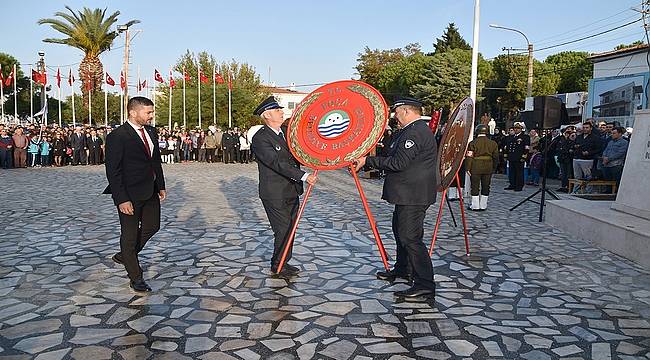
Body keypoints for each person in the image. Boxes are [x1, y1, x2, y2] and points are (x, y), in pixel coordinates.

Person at [354, 96, 438, 299]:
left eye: (397, 112)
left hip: (413, 195)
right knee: (400, 232)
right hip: (407, 194)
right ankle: (403, 269)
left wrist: (368, 161)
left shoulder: (415, 132)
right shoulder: (409, 131)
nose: (395, 116)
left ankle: (425, 282)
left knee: (411, 237)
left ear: (408, 112)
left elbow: (398, 162)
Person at [104, 96, 166, 292]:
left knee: (152, 226)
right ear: (133, 112)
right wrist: (121, 199)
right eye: (148, 112)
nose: (151, 115)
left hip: (151, 190)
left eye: (151, 112)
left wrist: (161, 185)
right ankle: (136, 276)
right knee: (129, 236)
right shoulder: (118, 136)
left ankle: (125, 255)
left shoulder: (151, 131)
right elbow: (113, 170)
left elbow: (155, 161)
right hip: (129, 194)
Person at [250, 96, 317, 275]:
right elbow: (276, 163)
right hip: (274, 192)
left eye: (280, 110)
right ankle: (277, 264)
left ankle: (284, 262)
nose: (282, 112)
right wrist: (304, 176)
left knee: (291, 228)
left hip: (291, 190)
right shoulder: (261, 138)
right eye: (277, 110)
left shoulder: (284, 134)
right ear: (267, 115)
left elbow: (297, 156)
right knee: (283, 228)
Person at [466, 124, 499, 211]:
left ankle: (475, 205)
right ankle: (483, 205)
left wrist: (468, 168)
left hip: (476, 166)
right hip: (488, 166)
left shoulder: (473, 143)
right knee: (486, 186)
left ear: (477, 132)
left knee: (475, 186)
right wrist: (494, 168)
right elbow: (496, 157)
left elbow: (469, 157)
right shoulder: (493, 143)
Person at [504, 122, 530, 191]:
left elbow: (526, 148)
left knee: (519, 173)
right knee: (511, 172)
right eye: (515, 128)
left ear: (521, 129)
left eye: (518, 128)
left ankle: (519, 186)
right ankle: (512, 184)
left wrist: (524, 157)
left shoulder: (525, 137)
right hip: (511, 157)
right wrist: (506, 155)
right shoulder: (511, 137)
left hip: (519, 157)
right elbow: (507, 147)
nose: (516, 130)